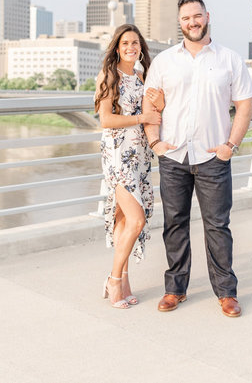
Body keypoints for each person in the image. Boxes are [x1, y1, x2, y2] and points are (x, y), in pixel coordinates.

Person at [143, 0, 252, 318]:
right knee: (174, 224)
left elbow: (244, 105)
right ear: (180, 23)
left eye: (196, 16)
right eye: (186, 18)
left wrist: (230, 146)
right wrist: (155, 143)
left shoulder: (230, 60)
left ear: (207, 16)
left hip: (213, 158)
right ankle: (175, 289)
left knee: (218, 226)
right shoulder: (164, 61)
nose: (192, 22)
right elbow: (150, 103)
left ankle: (226, 293)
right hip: (173, 156)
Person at [95, 24, 165, 309]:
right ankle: (113, 280)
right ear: (117, 47)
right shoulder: (109, 75)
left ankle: (123, 282)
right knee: (136, 220)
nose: (130, 47)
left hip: (140, 156)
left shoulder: (142, 76)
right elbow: (106, 120)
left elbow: (155, 111)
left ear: (141, 47)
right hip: (117, 155)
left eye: (135, 43)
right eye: (125, 43)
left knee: (125, 221)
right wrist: (141, 119)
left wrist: (160, 105)